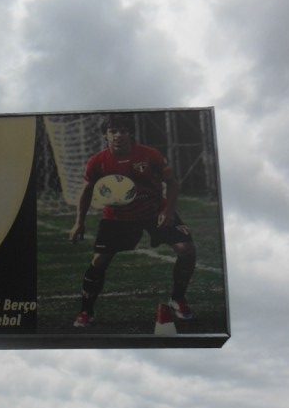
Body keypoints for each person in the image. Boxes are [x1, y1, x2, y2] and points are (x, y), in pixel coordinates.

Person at [68, 113, 196, 328]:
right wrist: (78, 222)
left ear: (130, 133)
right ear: (105, 136)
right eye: (113, 131)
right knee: (99, 261)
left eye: (123, 131)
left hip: (155, 211)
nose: (119, 135)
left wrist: (169, 211)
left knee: (186, 249)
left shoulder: (150, 155)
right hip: (118, 218)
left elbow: (173, 183)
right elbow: (87, 192)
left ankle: (178, 299)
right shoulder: (98, 162)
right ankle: (86, 311)